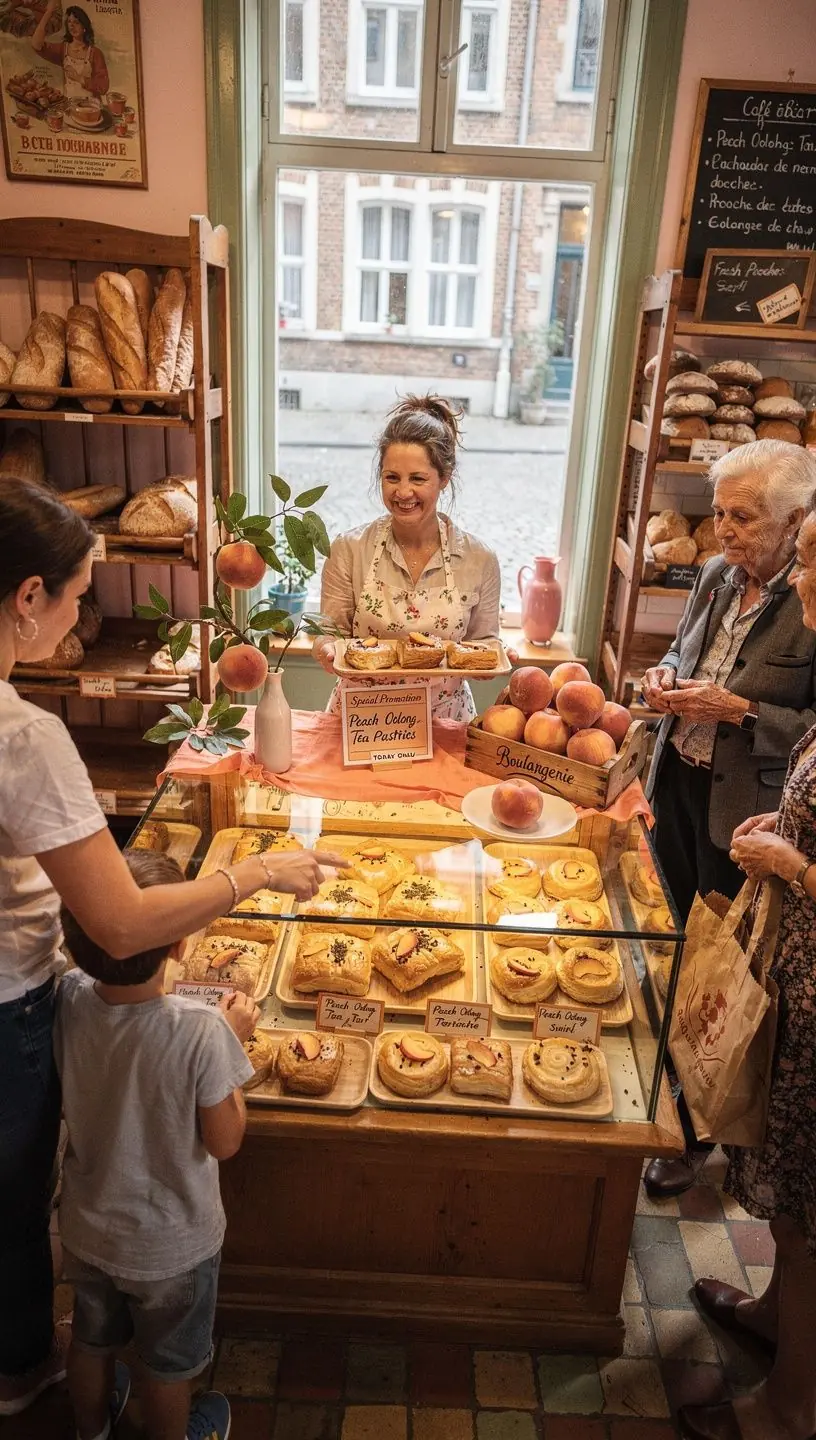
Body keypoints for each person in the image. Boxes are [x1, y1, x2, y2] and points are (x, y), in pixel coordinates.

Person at [0, 479, 340, 1415]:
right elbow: (118, 922)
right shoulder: (22, 736)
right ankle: (23, 1368)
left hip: (82, 1194)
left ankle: (59, 1385)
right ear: (28, 596)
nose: (79, 618)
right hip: (6, 1003)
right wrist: (258, 873)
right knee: (13, 1208)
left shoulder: (85, 1010)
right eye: (76, 598)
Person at [641, 439, 816, 1197]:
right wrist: (664, 677)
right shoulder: (715, 575)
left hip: (747, 815)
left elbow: (810, 725)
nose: (723, 531)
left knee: (723, 974)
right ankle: (655, 1092)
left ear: (795, 519)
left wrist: (739, 711)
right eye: (718, 513)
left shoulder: (812, 599)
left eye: (743, 518)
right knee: (672, 941)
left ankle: (695, 1132)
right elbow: (684, 654)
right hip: (675, 782)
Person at [679, 508, 816, 1440]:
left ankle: (789, 1407)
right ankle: (774, 1315)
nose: (799, 583)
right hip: (796, 974)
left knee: (810, 1214)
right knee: (790, 1202)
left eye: (810, 564)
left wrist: (793, 865)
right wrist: (787, 827)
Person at [56, 848, 258, 1440]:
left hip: (88, 1228)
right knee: (167, 1369)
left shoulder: (69, 996)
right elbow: (224, 1141)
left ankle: (91, 1429)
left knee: (91, 1341)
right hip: (173, 1247)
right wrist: (232, 1039)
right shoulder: (202, 1030)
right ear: (179, 943)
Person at [313, 394, 502, 721]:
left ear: (444, 478)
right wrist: (326, 650)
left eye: (418, 478)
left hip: (444, 720)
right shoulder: (348, 550)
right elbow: (330, 633)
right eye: (392, 477)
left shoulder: (479, 559)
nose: (403, 492)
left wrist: (491, 660)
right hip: (362, 720)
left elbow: (484, 644)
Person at [32, 3, 110, 100]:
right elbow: (36, 45)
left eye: (76, 22)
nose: (72, 26)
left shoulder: (95, 53)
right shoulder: (63, 49)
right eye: (69, 22)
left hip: (91, 105)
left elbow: (103, 87)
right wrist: (48, 13)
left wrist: (79, 78)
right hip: (70, 104)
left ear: (84, 27)